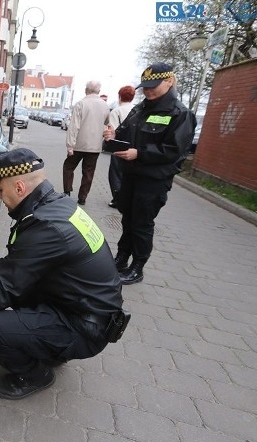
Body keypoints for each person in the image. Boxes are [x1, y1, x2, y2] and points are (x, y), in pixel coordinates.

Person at [0, 148, 126, 400]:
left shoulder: (47, 227)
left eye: (1, 189)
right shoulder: (56, 207)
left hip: (86, 327)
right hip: (83, 309)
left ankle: (35, 374)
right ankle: (50, 346)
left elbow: (6, 287)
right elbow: (19, 263)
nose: (0, 196)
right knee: (10, 292)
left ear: (19, 188)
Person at [103, 63, 196, 284]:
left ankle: (138, 266)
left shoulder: (180, 114)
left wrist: (140, 153)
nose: (148, 91)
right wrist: (113, 134)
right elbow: (125, 132)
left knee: (142, 223)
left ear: (169, 81)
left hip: (153, 180)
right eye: (145, 86)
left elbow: (173, 151)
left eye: (153, 86)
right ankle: (122, 258)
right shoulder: (140, 109)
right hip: (131, 174)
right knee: (128, 218)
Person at [63, 80, 110, 205]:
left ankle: (67, 191)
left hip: (78, 145)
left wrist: (70, 146)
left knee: (68, 167)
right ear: (98, 91)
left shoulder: (81, 104)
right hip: (95, 147)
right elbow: (106, 125)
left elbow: (74, 126)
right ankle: (82, 197)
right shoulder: (105, 106)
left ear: (86, 90)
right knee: (88, 172)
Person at [106, 86, 136, 208]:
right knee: (127, 174)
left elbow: (112, 130)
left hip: (119, 145)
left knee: (115, 174)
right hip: (133, 147)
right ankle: (127, 198)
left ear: (119, 96)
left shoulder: (116, 111)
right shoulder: (136, 110)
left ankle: (117, 199)